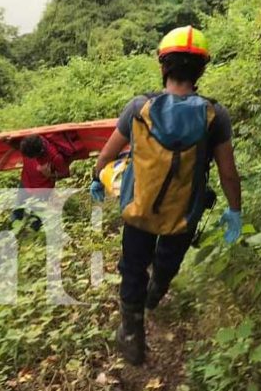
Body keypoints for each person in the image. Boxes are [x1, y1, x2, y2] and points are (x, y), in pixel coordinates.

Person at [89, 25, 242, 365]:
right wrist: (235, 210)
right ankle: (156, 291)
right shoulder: (215, 116)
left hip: (139, 206)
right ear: (202, 69)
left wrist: (97, 177)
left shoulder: (138, 108)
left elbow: (107, 155)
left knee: (132, 267)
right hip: (185, 213)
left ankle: (132, 335)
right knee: (167, 262)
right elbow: (228, 173)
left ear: (163, 66)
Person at [11, 135, 72, 230]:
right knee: (18, 209)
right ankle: (12, 231)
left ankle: (35, 236)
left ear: (39, 153)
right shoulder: (27, 143)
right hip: (25, 183)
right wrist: (9, 142)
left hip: (43, 190)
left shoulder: (55, 157)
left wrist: (49, 175)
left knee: (37, 214)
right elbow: (16, 146)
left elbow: (65, 174)